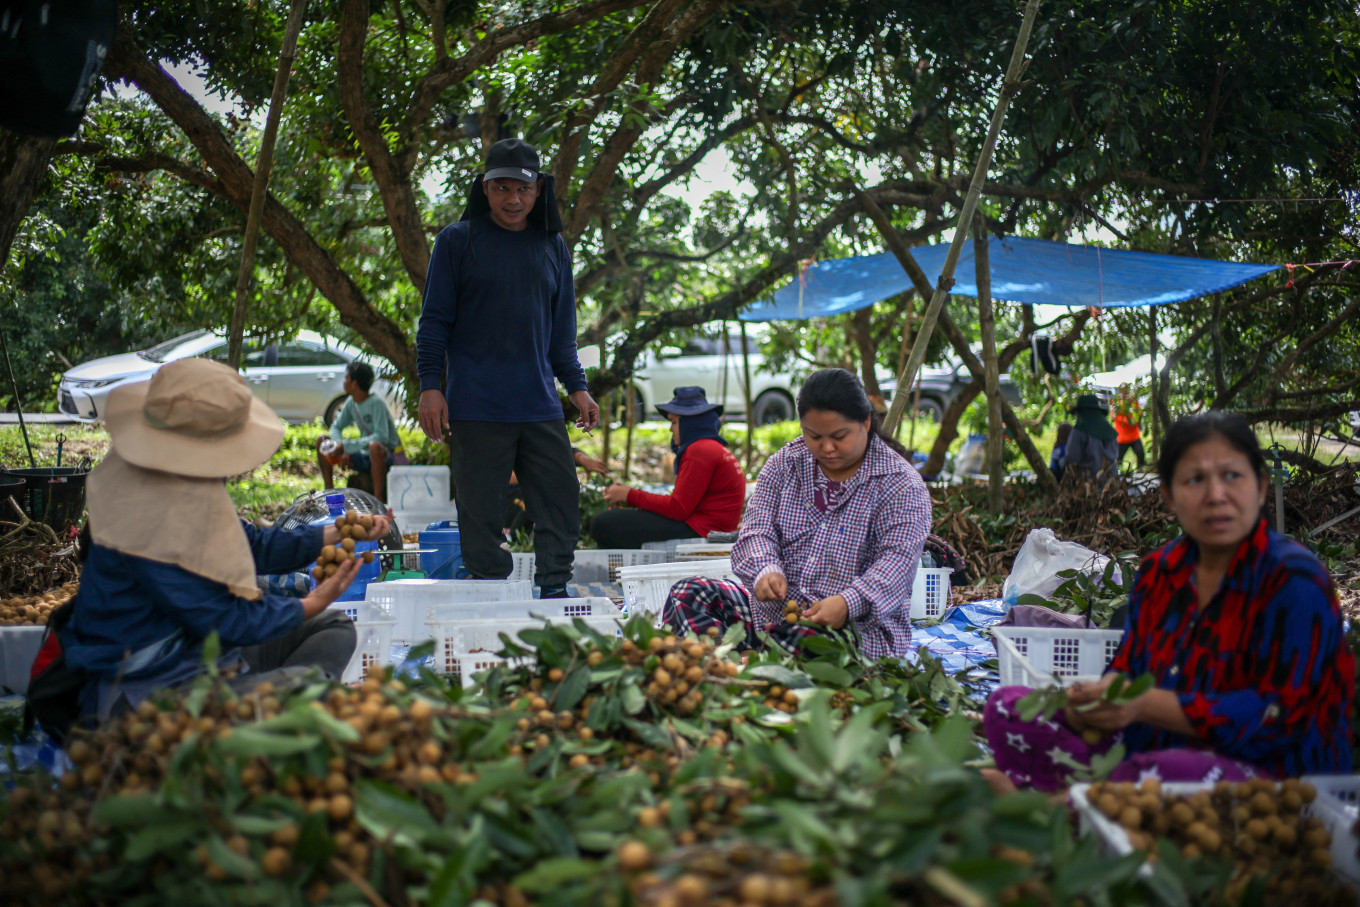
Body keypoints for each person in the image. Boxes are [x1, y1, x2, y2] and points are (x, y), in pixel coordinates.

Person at [984, 411, 1353, 791]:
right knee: (1007, 708)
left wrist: (1144, 705)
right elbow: (1130, 665)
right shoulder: (1160, 573)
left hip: (1271, 776)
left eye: (1232, 476)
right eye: (1195, 479)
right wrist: (1099, 700)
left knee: (1162, 770)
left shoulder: (1294, 580)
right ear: (1169, 495)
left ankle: (1068, 806)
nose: (1215, 495)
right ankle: (1096, 799)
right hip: (1152, 748)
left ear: (1259, 488)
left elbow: (1281, 717)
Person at [60, 358, 391, 720]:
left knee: (333, 626)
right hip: (145, 688)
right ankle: (267, 714)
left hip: (200, 655)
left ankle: (268, 707)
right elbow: (220, 617)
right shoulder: (146, 509)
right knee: (307, 686)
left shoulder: (178, 478)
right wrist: (309, 603)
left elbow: (248, 544)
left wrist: (339, 530)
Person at [415, 138, 600, 598]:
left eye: (522, 188)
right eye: (501, 188)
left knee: (560, 502)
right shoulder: (456, 242)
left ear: (538, 190)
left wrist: (577, 387)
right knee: (479, 515)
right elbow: (434, 321)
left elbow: (561, 334)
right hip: (476, 405)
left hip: (538, 404)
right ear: (484, 188)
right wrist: (429, 386)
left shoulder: (553, 246)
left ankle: (555, 590)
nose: (512, 199)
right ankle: (489, 594)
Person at [661, 369, 931, 656]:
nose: (827, 448)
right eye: (814, 436)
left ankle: (754, 665)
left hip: (853, 632)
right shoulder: (786, 464)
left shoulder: (901, 484)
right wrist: (765, 569)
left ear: (866, 423)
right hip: (770, 618)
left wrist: (847, 603)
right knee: (688, 595)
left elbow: (896, 564)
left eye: (839, 436)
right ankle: (729, 665)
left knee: (810, 643)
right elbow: (756, 530)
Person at [593, 386, 745, 548]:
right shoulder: (711, 447)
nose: (670, 429)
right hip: (705, 525)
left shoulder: (700, 450)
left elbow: (678, 509)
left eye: (674, 422)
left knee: (602, 523)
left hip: (702, 529)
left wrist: (629, 495)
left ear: (689, 423)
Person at [317, 361, 400, 501]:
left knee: (374, 446)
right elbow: (336, 427)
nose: (344, 382)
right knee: (322, 441)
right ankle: (329, 492)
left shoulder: (376, 403)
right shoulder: (351, 403)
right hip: (363, 455)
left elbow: (381, 437)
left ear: (354, 383)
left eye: (346, 378)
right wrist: (340, 445)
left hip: (386, 457)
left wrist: (347, 447)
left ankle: (378, 500)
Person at [1060, 394, 1118, 481]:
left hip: (1087, 485)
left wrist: (1060, 462)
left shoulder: (1079, 431)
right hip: (1111, 485)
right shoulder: (1110, 432)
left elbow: (1072, 458)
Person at [1113, 383, 1146, 469]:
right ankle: (1116, 474)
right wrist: (1128, 420)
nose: (1125, 392)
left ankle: (1140, 471)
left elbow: (1138, 414)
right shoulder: (1117, 402)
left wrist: (1134, 419)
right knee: (1118, 459)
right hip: (1122, 437)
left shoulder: (1133, 401)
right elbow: (1114, 417)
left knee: (1140, 454)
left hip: (1134, 436)